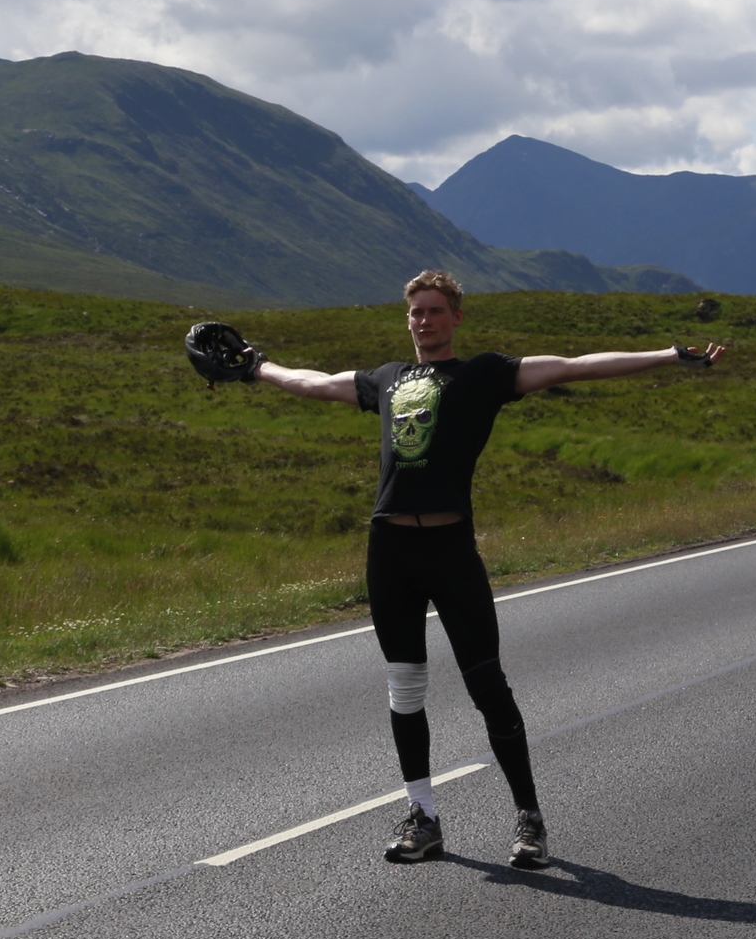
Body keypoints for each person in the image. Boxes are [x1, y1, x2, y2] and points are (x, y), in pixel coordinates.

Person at [252, 270, 724, 869]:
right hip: (390, 552)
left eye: (435, 311)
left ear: (456, 317)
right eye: (415, 312)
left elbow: (575, 366)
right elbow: (313, 383)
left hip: (451, 551)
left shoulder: (483, 374)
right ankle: (422, 817)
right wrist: (255, 367)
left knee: (487, 687)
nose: (424, 320)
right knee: (405, 689)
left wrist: (668, 356)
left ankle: (529, 819)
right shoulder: (385, 379)